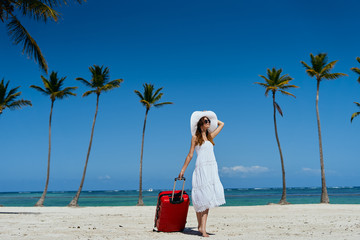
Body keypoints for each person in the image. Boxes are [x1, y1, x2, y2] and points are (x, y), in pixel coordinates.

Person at [178, 110, 226, 237]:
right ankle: (202, 228)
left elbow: (222, 124)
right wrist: (182, 170)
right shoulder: (195, 137)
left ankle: (201, 227)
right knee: (201, 199)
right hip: (201, 169)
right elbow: (190, 155)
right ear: (200, 124)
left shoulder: (210, 136)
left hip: (211, 169)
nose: (208, 122)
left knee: (207, 199)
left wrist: (207, 114)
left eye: (209, 121)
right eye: (206, 121)